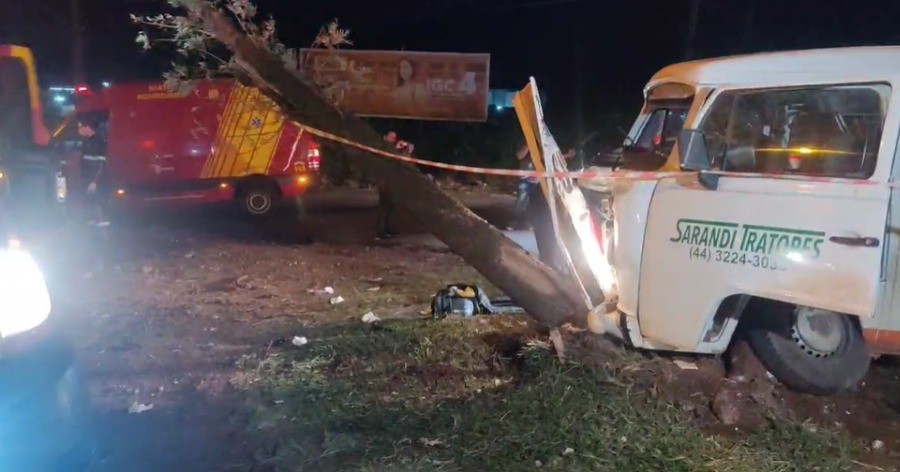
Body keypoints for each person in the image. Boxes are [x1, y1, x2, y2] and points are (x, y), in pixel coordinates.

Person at [516, 143, 575, 272]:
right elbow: (519, 156)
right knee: (539, 224)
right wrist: (528, 145)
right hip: (531, 186)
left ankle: (551, 260)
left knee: (547, 228)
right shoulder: (527, 147)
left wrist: (566, 156)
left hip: (541, 189)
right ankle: (547, 259)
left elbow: (550, 158)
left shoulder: (542, 149)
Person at [375, 131, 415, 240]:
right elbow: (388, 158)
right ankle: (380, 232)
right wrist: (397, 148)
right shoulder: (383, 147)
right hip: (384, 182)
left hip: (391, 182)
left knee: (390, 208)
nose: (393, 139)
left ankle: (387, 229)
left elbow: (403, 161)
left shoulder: (392, 148)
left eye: (394, 137)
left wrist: (407, 149)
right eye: (391, 137)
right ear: (385, 137)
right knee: (384, 208)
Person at [77, 117, 110, 229]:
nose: (79, 130)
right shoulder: (87, 141)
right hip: (89, 178)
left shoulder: (98, 142)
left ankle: (102, 221)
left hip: (95, 179)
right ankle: (94, 220)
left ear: (87, 128)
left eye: (81, 127)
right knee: (91, 199)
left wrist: (94, 181)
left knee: (97, 199)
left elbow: (101, 164)